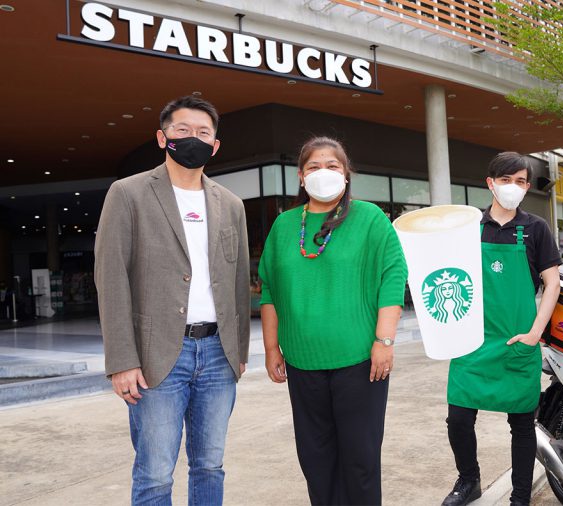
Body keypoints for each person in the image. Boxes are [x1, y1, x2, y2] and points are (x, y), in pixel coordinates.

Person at [94, 96, 250, 506]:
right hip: (156, 356)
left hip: (218, 354)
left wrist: (239, 351)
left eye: (203, 133)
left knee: (210, 465)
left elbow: (237, 281)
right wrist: (121, 360)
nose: (193, 138)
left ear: (215, 146)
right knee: (155, 473)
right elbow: (111, 279)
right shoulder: (127, 193)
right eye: (183, 130)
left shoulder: (231, 205)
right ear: (163, 137)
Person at [259, 136, 407, 505]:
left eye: (332, 166)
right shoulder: (284, 226)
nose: (322, 173)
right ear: (300, 176)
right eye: (314, 167)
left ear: (346, 175)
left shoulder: (370, 218)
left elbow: (392, 278)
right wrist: (271, 348)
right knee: (316, 458)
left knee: (359, 460)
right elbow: (270, 292)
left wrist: (384, 341)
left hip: (360, 362)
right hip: (302, 362)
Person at [442, 152, 561, 506]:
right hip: (472, 342)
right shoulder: (468, 225)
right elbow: (445, 274)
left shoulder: (536, 228)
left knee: (522, 425)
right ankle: (468, 480)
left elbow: (551, 283)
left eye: (521, 181)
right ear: (490, 182)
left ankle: (520, 497)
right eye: (506, 180)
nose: (514, 187)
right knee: (458, 419)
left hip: (517, 340)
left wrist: (536, 333)